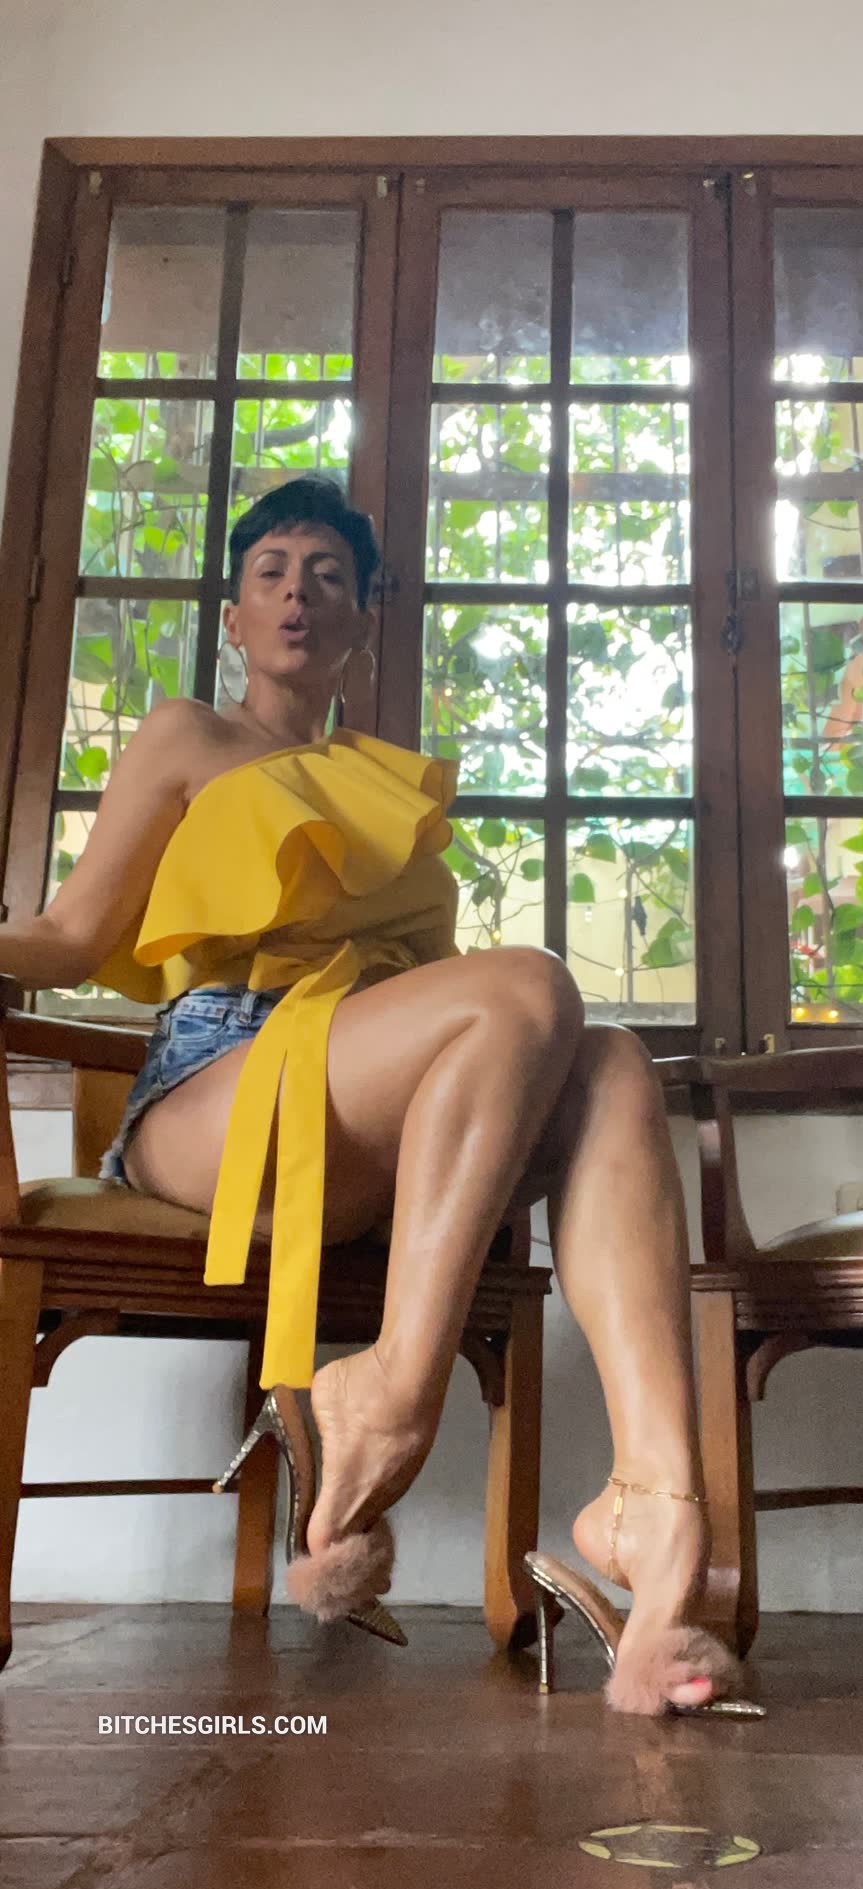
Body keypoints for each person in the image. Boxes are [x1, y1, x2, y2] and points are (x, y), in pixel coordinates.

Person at [0, 475, 741, 1716]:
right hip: (218, 1086)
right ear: (236, 616)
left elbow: (443, 1017)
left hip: (377, 1114)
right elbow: (72, 937)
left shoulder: (385, 776)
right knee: (528, 985)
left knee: (613, 1060)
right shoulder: (187, 735)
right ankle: (391, 1389)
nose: (298, 594)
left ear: (363, 618)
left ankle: (654, 1512)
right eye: (272, 573)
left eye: (328, 577)